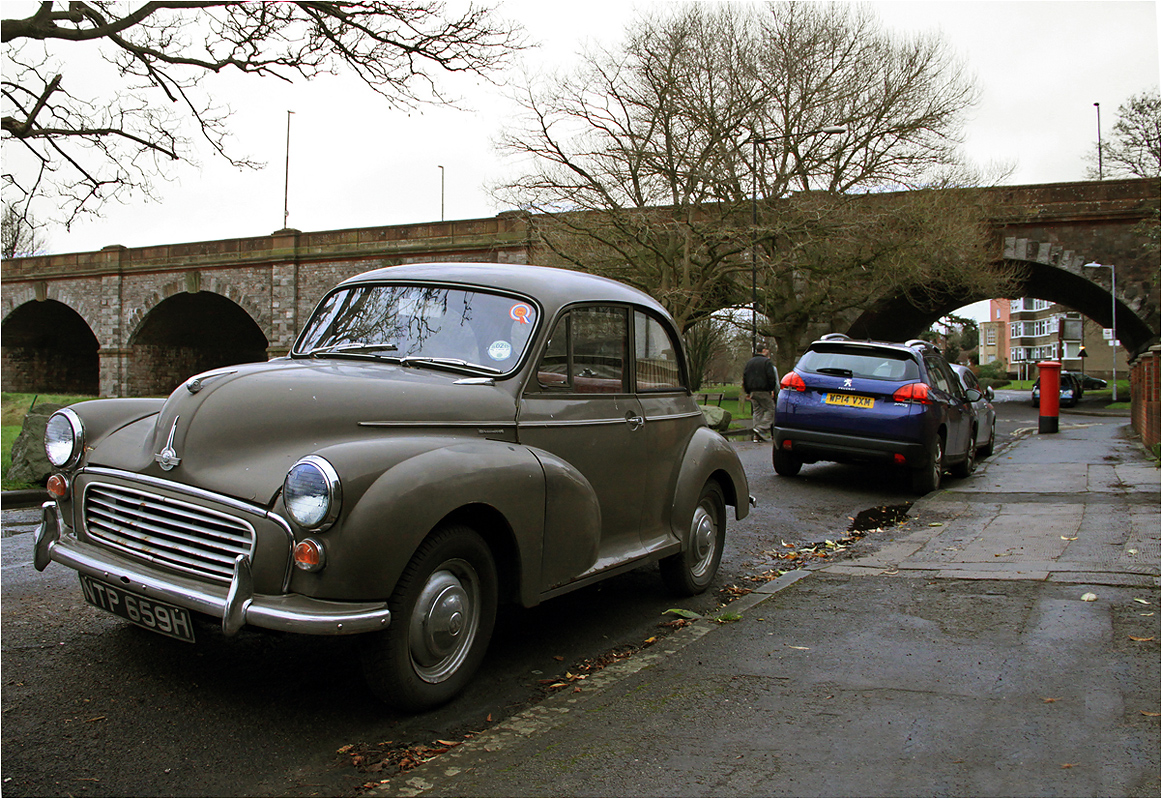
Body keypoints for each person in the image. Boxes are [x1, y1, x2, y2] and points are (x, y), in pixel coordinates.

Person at [743, 345, 779, 442]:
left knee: (757, 411)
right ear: (763, 350)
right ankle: (761, 428)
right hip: (763, 390)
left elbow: (745, 376)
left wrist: (747, 390)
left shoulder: (750, 362)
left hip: (752, 390)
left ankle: (756, 435)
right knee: (771, 410)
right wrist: (771, 389)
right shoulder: (766, 362)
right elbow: (771, 377)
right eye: (766, 349)